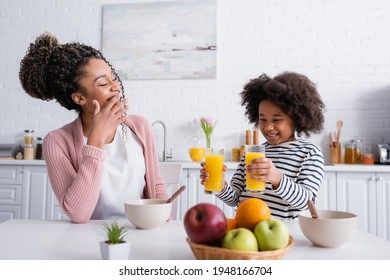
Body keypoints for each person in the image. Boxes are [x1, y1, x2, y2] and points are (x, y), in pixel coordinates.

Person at [19, 32, 167, 223]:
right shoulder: (56, 142)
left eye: (114, 78)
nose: (116, 87)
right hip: (90, 239)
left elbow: (156, 185)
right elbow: (78, 214)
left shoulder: (140, 126)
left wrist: (163, 218)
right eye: (104, 83)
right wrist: (96, 140)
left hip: (142, 231)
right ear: (80, 98)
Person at [200, 72, 325, 220]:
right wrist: (219, 184)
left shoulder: (309, 153)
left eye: (277, 120)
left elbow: (306, 203)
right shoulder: (253, 153)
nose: (268, 127)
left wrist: (277, 178)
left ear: (296, 119)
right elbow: (235, 199)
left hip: (283, 236)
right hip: (246, 232)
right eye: (263, 120)